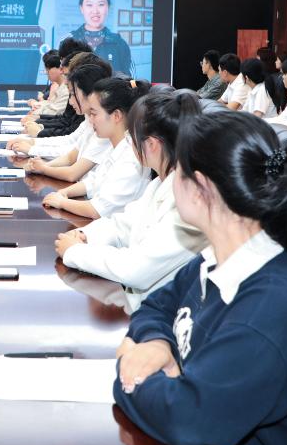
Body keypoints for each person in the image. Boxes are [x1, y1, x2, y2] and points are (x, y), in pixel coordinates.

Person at [113, 107, 287, 445]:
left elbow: (187, 421)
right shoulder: (216, 259)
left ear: (200, 187)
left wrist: (129, 371)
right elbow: (156, 306)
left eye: (178, 173)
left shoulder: (268, 308)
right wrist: (157, 344)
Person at [56, 92, 208, 311]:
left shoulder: (189, 200)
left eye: (132, 137)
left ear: (152, 144)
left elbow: (137, 269)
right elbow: (122, 225)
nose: (129, 142)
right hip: (138, 302)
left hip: (160, 315)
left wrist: (76, 252)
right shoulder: (160, 184)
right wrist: (84, 235)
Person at [42, 78, 151, 219]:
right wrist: (64, 192)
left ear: (116, 116)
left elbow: (97, 209)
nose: (90, 119)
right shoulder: (119, 145)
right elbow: (94, 182)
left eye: (94, 114)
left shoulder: (131, 158)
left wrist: (62, 202)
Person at [22, 62, 113, 182]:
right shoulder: (90, 120)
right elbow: (71, 154)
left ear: (90, 94)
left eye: (73, 95)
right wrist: (42, 163)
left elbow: (73, 173)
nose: (70, 101)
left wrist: (36, 155)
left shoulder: (104, 130)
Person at [8, 53, 109, 158]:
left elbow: (73, 156)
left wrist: (33, 147)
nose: (65, 80)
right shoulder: (90, 117)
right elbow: (71, 141)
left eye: (66, 75)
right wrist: (32, 142)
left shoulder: (102, 122)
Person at [25, 38, 95, 138]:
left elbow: (70, 130)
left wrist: (39, 131)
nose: (61, 70)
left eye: (63, 63)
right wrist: (38, 121)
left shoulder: (88, 92)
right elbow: (68, 124)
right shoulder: (76, 88)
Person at [65, 0, 133, 76]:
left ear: (108, 8)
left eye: (101, 4)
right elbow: (57, 77)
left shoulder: (119, 43)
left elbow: (131, 79)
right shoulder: (68, 41)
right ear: (81, 8)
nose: (95, 11)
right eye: (89, 5)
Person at [24, 50, 69, 120]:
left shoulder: (66, 90)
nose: (46, 72)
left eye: (48, 69)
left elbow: (54, 112)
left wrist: (35, 112)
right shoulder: (60, 87)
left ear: (60, 68)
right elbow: (49, 106)